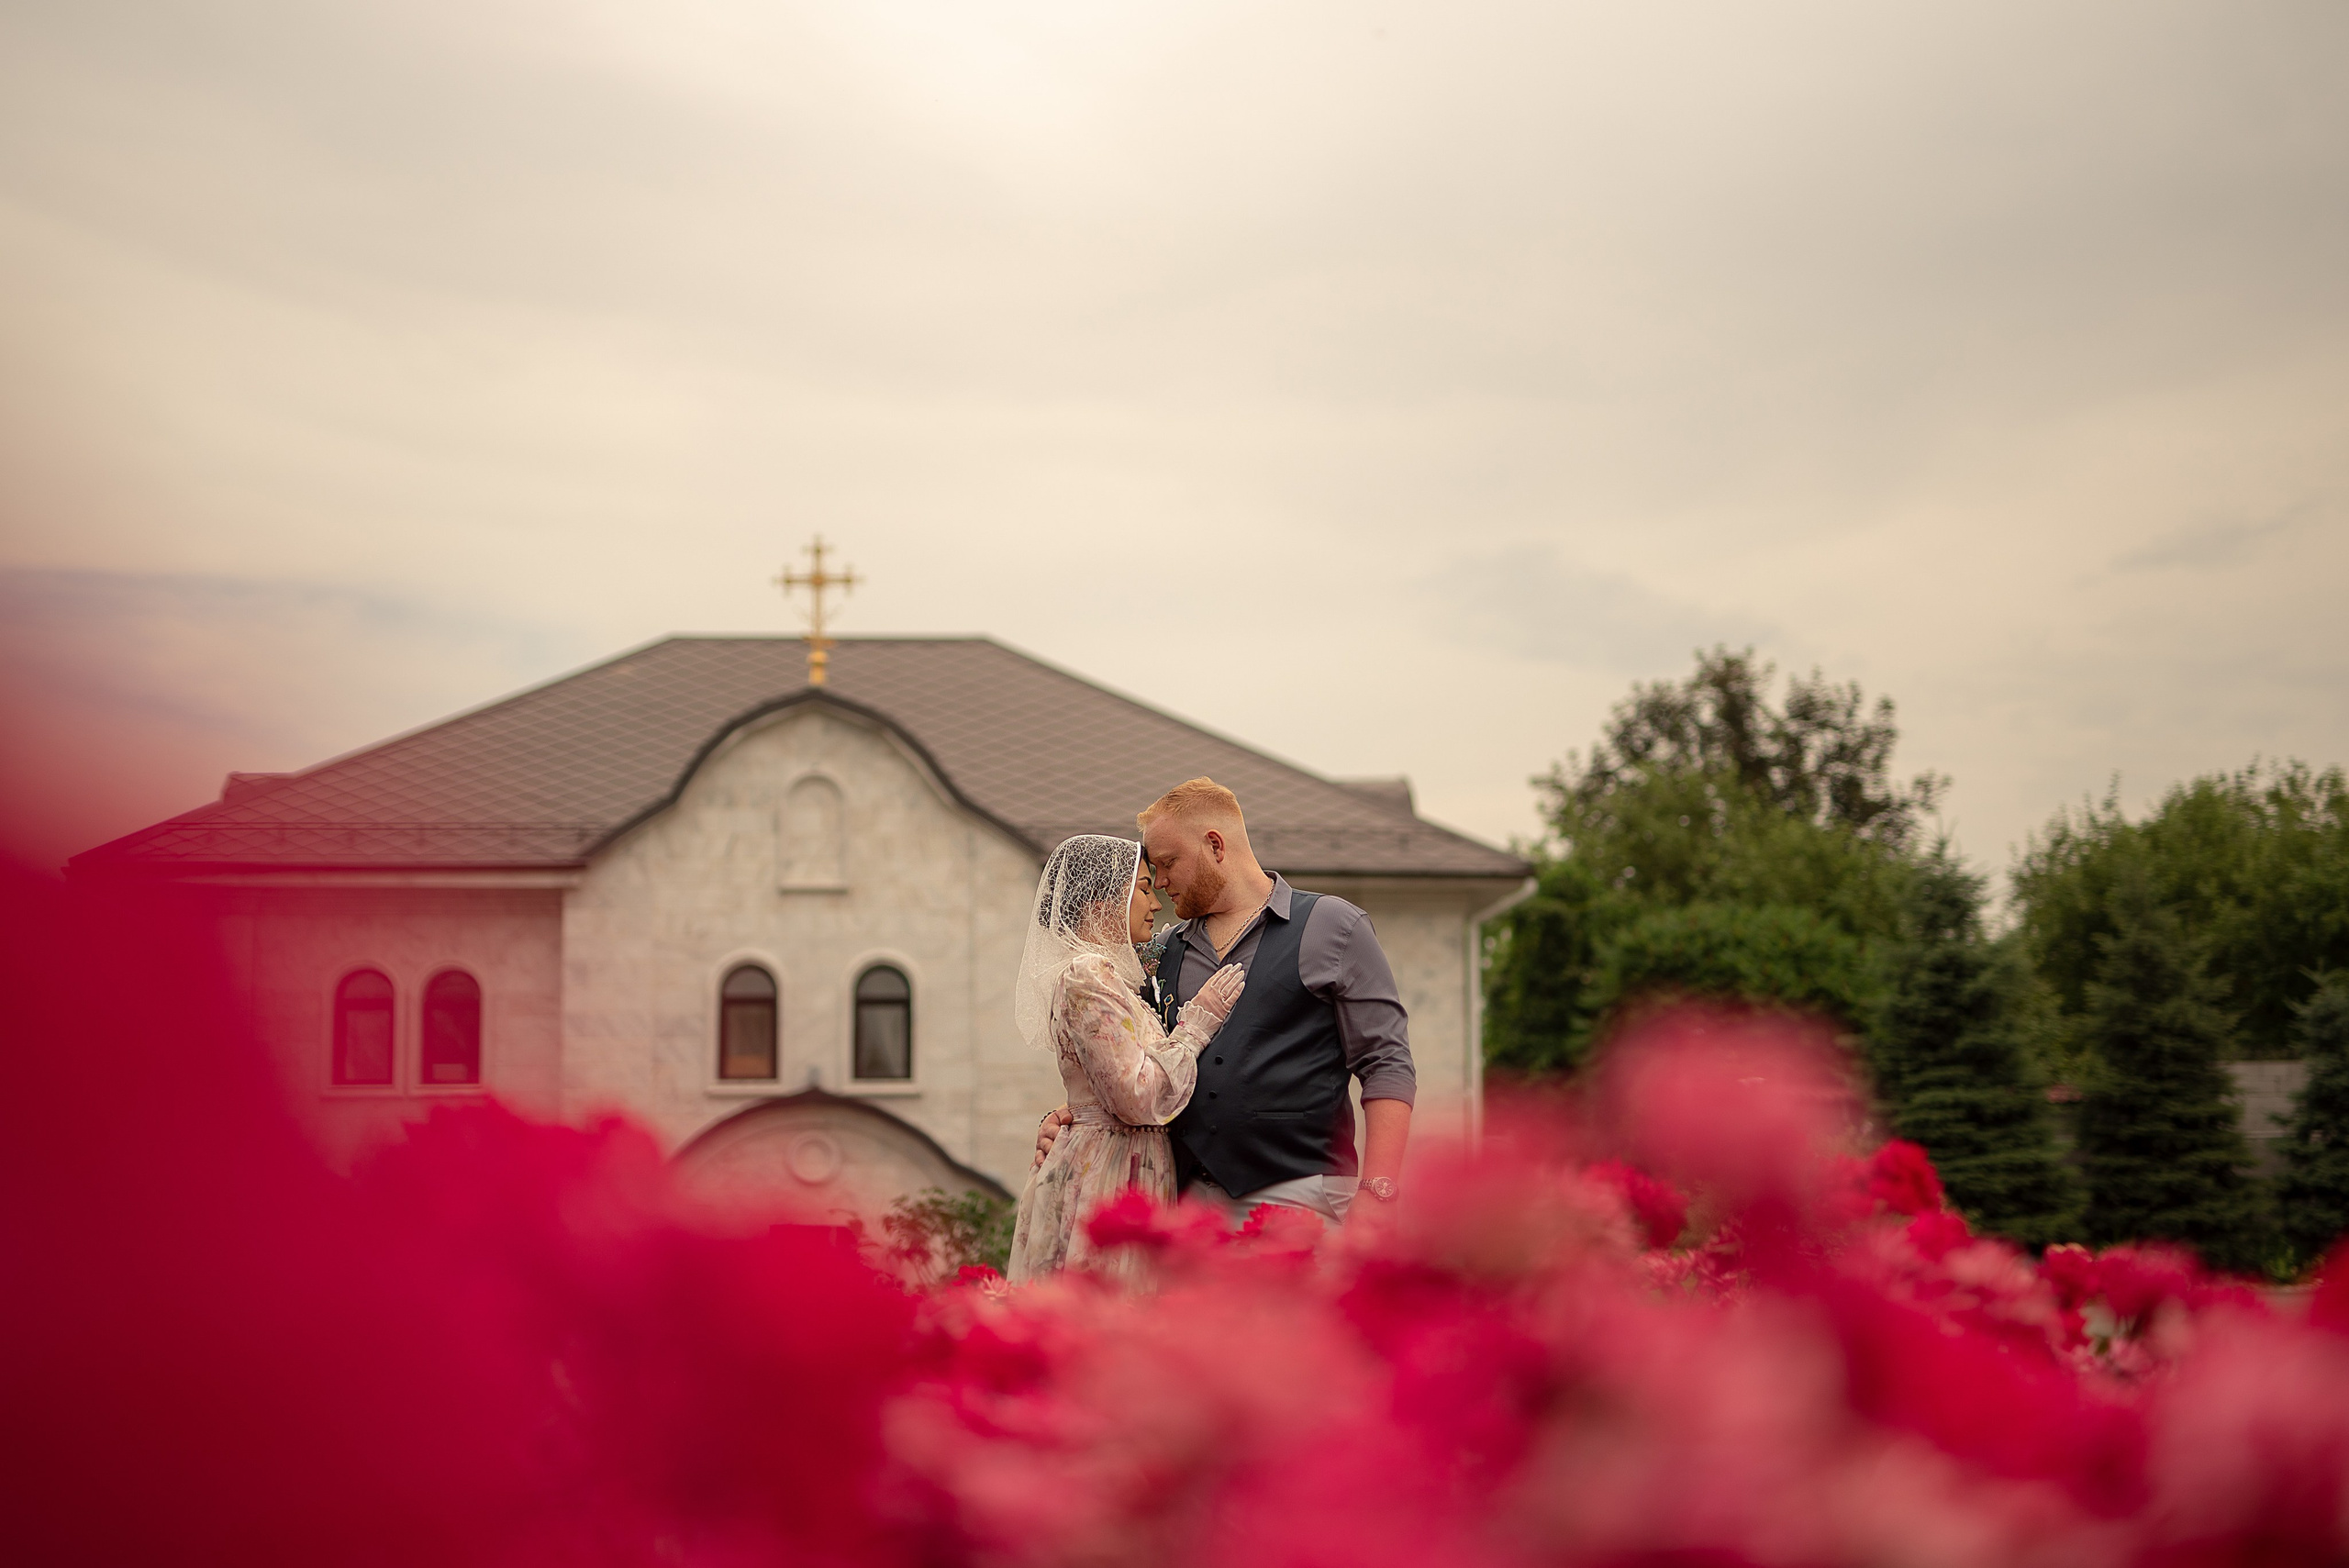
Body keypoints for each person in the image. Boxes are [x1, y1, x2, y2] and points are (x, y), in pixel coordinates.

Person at [1034, 778, 1413, 1227]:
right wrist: (1072, 1114)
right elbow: (1126, 1062)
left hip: (1303, 1200)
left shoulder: (1334, 926)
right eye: (1151, 873)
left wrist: (1378, 1193)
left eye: (1168, 863)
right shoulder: (1159, 951)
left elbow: (1386, 1063)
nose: (1161, 882)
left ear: (1215, 845)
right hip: (1185, 1211)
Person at [1005, 833, 1245, 1284]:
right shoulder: (1085, 973)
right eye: (1143, 888)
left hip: (1125, 1163)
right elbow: (1134, 1097)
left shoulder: (1112, 973)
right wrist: (1196, 1025)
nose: (1155, 904)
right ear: (1104, 901)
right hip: (1108, 1174)